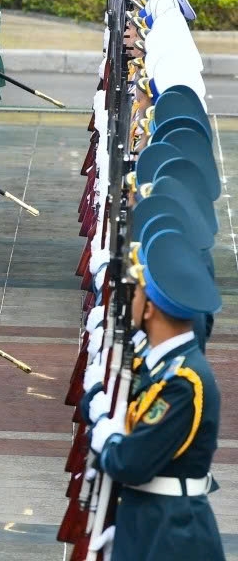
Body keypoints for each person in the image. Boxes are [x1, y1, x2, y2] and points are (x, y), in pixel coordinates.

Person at [86, 226, 224, 561]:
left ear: (149, 308)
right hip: (149, 522)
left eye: (136, 293)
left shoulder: (184, 382)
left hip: (170, 535)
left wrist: (104, 428)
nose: (131, 299)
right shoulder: (166, 368)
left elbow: (130, 462)